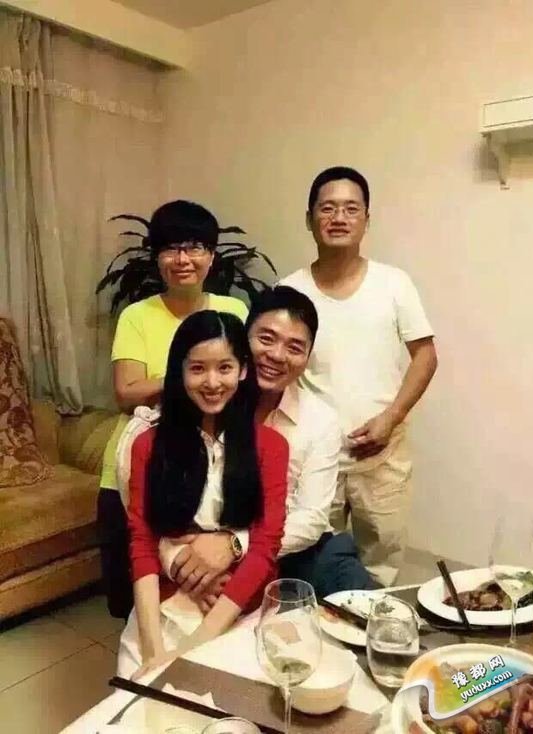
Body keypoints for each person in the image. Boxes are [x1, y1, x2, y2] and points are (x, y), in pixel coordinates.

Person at [164, 286, 380, 606]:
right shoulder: (211, 397)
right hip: (205, 537)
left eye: (295, 347)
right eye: (266, 339)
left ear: (307, 357)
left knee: (370, 606)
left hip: (296, 549)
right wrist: (195, 557)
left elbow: (311, 517)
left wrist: (235, 545)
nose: (277, 355)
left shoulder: (320, 420)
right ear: (243, 338)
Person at [280, 167, 438, 586]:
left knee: (381, 567)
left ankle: (374, 626)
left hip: (382, 454)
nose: (339, 217)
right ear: (309, 218)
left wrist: (391, 417)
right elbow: (276, 369)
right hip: (315, 460)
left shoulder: (393, 283)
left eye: (351, 209)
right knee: (312, 563)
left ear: (367, 219)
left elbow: (425, 356)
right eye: (327, 208)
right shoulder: (289, 292)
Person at [97, 200, 248, 620]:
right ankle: (140, 654)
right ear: (157, 257)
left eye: (195, 247)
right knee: (130, 592)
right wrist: (191, 375)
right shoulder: (137, 316)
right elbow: (126, 392)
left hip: (211, 465)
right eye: (171, 248)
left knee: (202, 586)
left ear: (212, 256)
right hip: (135, 464)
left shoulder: (233, 311)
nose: (183, 259)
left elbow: (244, 384)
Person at [117, 310, 288, 679]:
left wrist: (188, 652)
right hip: (166, 603)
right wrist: (155, 651)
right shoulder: (148, 444)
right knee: (139, 699)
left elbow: (265, 546)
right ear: (179, 372)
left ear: (243, 370)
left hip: (239, 610)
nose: (212, 382)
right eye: (197, 369)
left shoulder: (270, 447)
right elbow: (142, 542)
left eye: (224, 368)